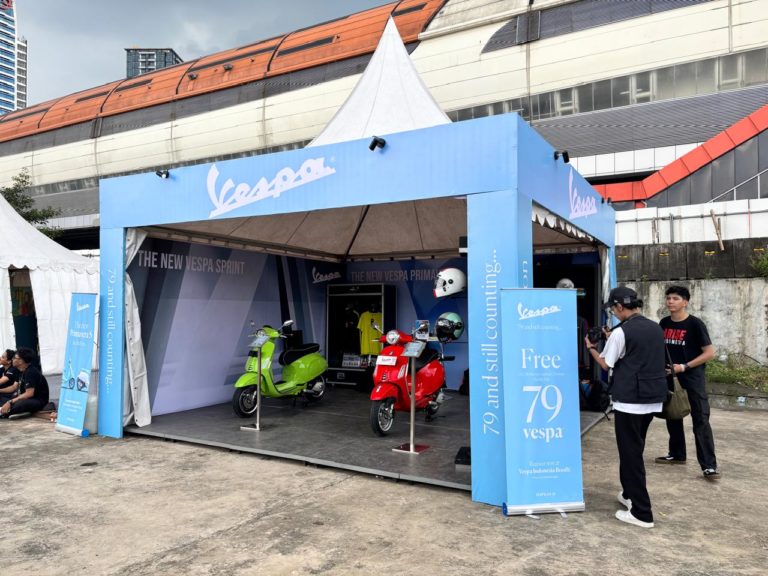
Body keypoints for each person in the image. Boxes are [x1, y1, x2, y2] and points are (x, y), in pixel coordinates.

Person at [584, 286, 667, 529]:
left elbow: (606, 364)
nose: (613, 313)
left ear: (620, 306)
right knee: (635, 449)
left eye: (613, 309)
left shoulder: (621, 332)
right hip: (652, 398)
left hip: (630, 401)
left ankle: (642, 512)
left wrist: (591, 347)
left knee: (631, 456)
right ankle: (629, 495)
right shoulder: (654, 327)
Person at [656, 285, 719, 480]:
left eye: (675, 298)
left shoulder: (695, 324)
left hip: (692, 378)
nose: (670, 302)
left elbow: (709, 352)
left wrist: (684, 367)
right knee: (673, 414)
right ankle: (677, 454)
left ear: (685, 302)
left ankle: (709, 466)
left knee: (700, 419)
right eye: (668, 298)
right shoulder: (664, 323)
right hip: (670, 376)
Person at [0, 347, 49, 418]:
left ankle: (4, 412)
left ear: (21, 361)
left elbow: (29, 394)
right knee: (4, 398)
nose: (12, 359)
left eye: (14, 358)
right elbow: (14, 387)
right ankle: (9, 411)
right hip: (25, 398)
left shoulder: (31, 372)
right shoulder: (20, 371)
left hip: (37, 400)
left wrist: (10, 402)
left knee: (18, 404)